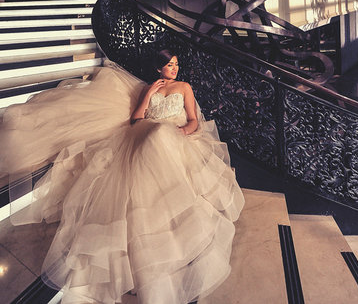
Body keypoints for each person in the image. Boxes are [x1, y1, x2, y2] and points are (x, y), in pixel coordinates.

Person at [0, 50, 244, 304]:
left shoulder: (185, 87)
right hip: (144, 132)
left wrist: (180, 133)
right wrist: (149, 94)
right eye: (169, 65)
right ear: (158, 68)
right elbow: (135, 119)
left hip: (173, 134)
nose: (174, 68)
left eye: (176, 64)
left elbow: (194, 121)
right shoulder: (149, 88)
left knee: (160, 138)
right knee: (150, 142)